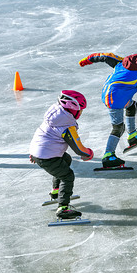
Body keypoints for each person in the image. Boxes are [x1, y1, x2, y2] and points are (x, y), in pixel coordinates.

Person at [78, 46, 137, 168]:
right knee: (118, 127)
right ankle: (108, 155)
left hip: (109, 94)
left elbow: (105, 56)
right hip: (115, 99)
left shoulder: (123, 61)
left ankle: (133, 136)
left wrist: (87, 60)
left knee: (132, 106)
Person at [29, 90, 94, 219]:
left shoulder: (56, 116)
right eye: (80, 110)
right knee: (67, 176)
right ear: (73, 108)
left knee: (66, 159)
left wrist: (34, 153)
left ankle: (56, 191)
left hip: (39, 152)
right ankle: (63, 208)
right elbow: (78, 148)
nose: (81, 113)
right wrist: (88, 153)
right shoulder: (66, 126)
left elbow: (41, 134)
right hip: (47, 156)